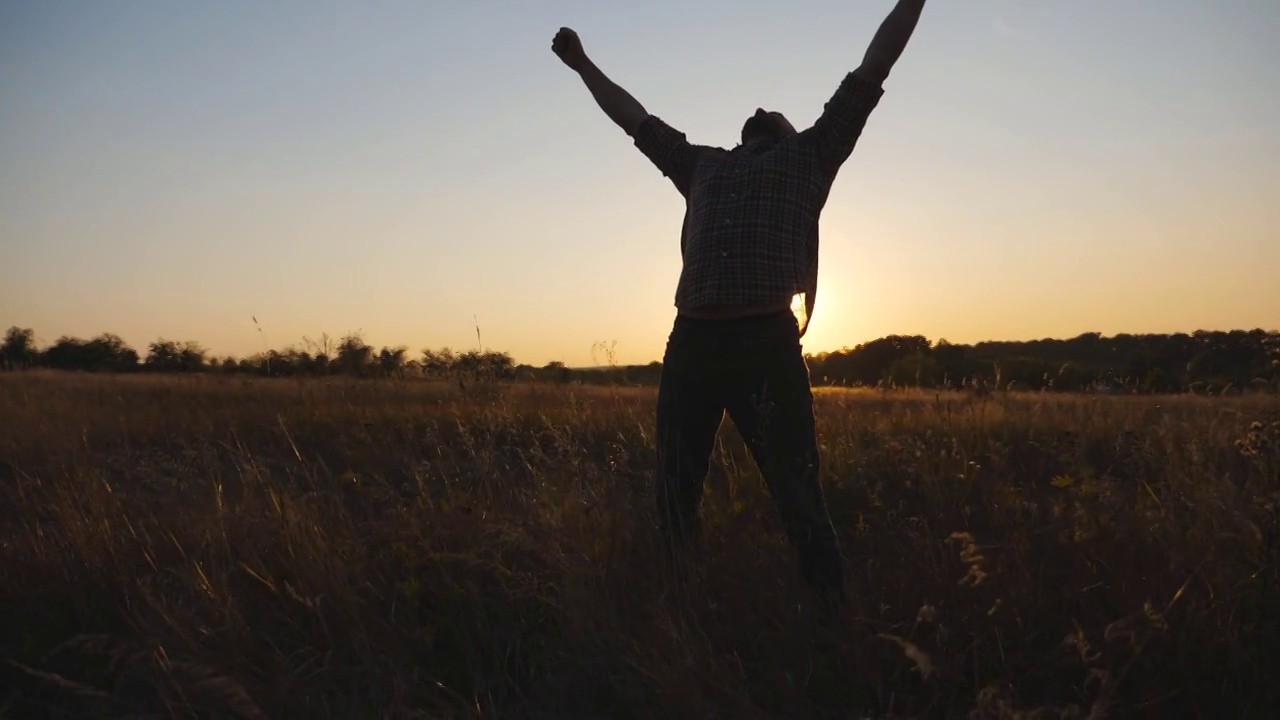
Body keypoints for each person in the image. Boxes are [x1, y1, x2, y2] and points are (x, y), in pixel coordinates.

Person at [551, 0, 927, 613]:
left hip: (764, 345)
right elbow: (634, 119)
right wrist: (582, 63)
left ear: (784, 131)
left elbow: (874, 65)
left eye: (770, 113)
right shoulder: (701, 164)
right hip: (691, 344)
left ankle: (830, 619)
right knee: (674, 492)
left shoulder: (811, 154)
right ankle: (679, 613)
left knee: (798, 495)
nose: (759, 109)